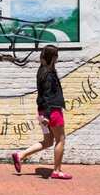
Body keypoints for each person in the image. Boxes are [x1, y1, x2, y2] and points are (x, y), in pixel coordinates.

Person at [11, 45, 72, 179]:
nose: (57, 59)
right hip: (52, 112)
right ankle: (57, 171)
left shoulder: (42, 71)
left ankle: (20, 155)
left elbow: (43, 96)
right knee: (60, 140)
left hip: (42, 112)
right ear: (53, 57)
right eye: (56, 56)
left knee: (48, 141)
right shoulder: (49, 75)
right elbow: (48, 96)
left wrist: (43, 115)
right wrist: (47, 115)